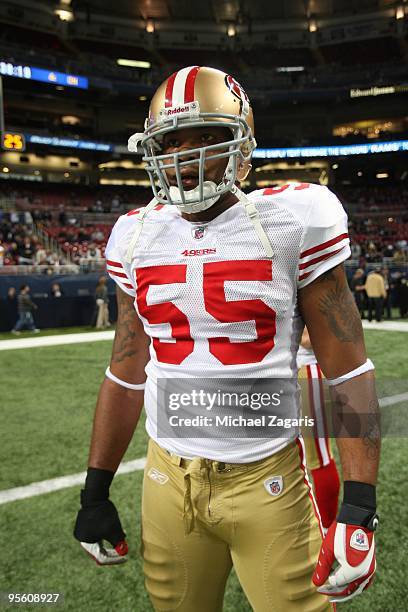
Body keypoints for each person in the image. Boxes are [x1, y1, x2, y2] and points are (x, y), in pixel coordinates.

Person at [74, 66, 380, 611]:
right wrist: (95, 490)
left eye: (207, 138)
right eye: (171, 141)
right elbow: (125, 370)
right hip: (166, 480)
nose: (185, 156)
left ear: (241, 146)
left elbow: (348, 371)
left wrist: (358, 506)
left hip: (268, 481)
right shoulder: (135, 234)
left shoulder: (294, 219)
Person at [297, 327, 340, 531]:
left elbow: (308, 339)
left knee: (319, 456)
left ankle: (327, 526)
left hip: (307, 370)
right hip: (284, 374)